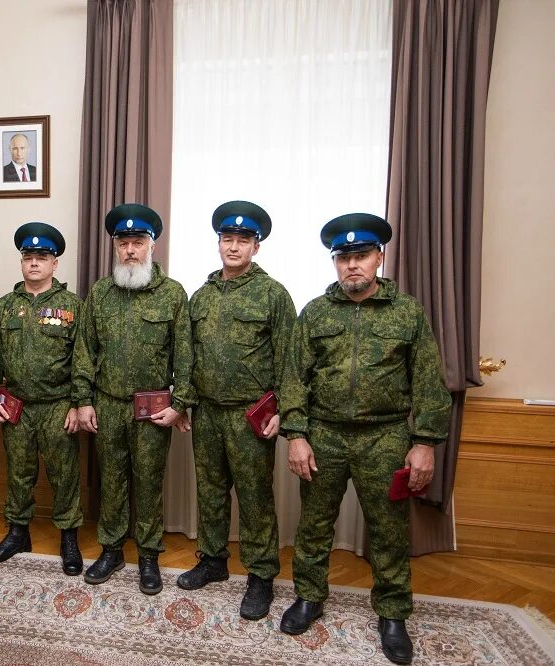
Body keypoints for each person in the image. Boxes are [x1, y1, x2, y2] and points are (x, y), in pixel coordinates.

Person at [278, 213, 451, 665]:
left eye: (362, 256)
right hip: (325, 434)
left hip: (386, 435)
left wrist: (424, 441)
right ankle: (309, 597)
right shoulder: (316, 311)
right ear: (335, 262)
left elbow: (429, 382)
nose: (352, 265)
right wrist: (296, 435)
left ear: (380, 257)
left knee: (389, 530)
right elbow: (294, 379)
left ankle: (392, 613)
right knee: (314, 525)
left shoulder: (407, 311)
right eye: (344, 258)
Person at [178, 201, 296, 621]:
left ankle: (261, 575)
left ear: (256, 247)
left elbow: (288, 361)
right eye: (227, 239)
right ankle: (212, 560)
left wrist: (283, 410)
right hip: (208, 412)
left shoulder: (273, 294)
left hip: (251, 415)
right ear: (218, 244)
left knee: (255, 497)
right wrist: (185, 403)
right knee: (209, 490)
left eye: (242, 240)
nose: (233, 246)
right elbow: (188, 357)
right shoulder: (201, 295)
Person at [72, 203, 195, 595]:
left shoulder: (173, 294)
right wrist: (83, 400)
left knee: (148, 481)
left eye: (138, 242)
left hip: (153, 409)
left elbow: (186, 356)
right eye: (123, 242)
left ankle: (148, 555)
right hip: (107, 404)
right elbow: (84, 351)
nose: (130, 250)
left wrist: (181, 404)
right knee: (110, 479)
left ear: (151, 247)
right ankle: (111, 549)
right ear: (115, 246)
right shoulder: (101, 294)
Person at [0, 222, 84, 575]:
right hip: (15, 405)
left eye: (42, 257)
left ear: (55, 264)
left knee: (64, 474)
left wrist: (78, 403)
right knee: (18, 473)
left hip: (58, 406)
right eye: (28, 257)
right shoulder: (6, 306)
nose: (34, 263)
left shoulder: (71, 306)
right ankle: (18, 532)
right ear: (22, 263)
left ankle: (68, 536)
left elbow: (83, 358)